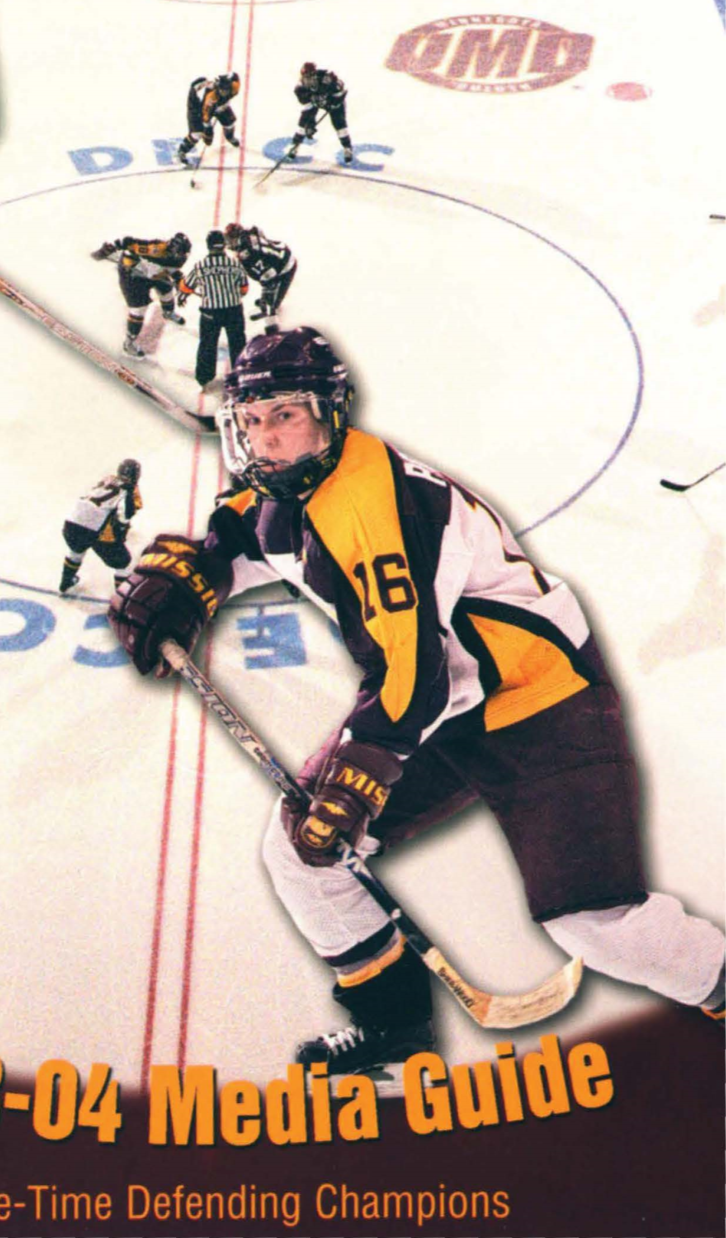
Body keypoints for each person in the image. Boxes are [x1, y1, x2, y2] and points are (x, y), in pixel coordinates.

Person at [109, 324, 726, 1077]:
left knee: (598, 926)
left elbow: (412, 673)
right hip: (442, 705)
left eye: (287, 415)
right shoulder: (290, 487)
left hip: (540, 700)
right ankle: (394, 1026)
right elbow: (241, 536)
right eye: (253, 419)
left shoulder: (375, 507)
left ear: (330, 414)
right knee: (303, 852)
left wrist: (360, 775)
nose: (267, 437)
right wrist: (190, 578)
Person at [91, 232, 191, 359]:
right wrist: (109, 248)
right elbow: (127, 242)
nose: (183, 257)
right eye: (181, 253)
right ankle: (129, 344)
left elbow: (172, 269)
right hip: (133, 276)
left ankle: (168, 312)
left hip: (153, 273)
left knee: (167, 290)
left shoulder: (178, 257)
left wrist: (178, 280)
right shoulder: (155, 248)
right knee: (138, 310)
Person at [60, 459, 142, 595]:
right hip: (95, 532)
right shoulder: (130, 490)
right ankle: (122, 598)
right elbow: (125, 516)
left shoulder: (106, 479)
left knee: (76, 552)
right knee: (124, 564)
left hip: (71, 524)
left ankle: (65, 582)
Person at [181, 229, 248, 390]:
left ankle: (204, 378)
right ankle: (243, 375)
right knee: (238, 343)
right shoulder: (235, 263)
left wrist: (183, 295)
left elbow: (186, 287)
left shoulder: (200, 266)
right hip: (233, 310)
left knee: (207, 345)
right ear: (223, 245)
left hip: (210, 313)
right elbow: (244, 288)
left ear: (208, 246)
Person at [225, 222, 297, 321]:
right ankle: (270, 305)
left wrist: (267, 298)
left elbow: (269, 276)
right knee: (269, 288)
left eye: (230, 240)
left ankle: (273, 323)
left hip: (284, 265)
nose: (228, 244)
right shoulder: (250, 232)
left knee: (271, 304)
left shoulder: (247, 254)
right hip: (282, 251)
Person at [286, 63, 353, 164]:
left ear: (315, 75)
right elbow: (307, 109)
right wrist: (310, 125)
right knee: (303, 124)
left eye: (310, 77)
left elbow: (341, 92)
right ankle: (295, 145)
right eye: (305, 78)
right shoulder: (299, 89)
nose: (308, 81)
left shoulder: (327, 78)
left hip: (331, 102)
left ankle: (347, 148)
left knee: (339, 124)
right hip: (316, 103)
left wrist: (334, 102)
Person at [177, 73, 241, 166]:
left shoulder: (235, 87)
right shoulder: (211, 98)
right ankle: (182, 150)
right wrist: (208, 131)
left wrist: (230, 75)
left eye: (227, 91)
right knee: (197, 133)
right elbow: (205, 117)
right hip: (198, 107)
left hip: (219, 105)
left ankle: (229, 137)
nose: (224, 93)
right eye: (222, 91)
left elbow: (235, 76)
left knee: (230, 122)